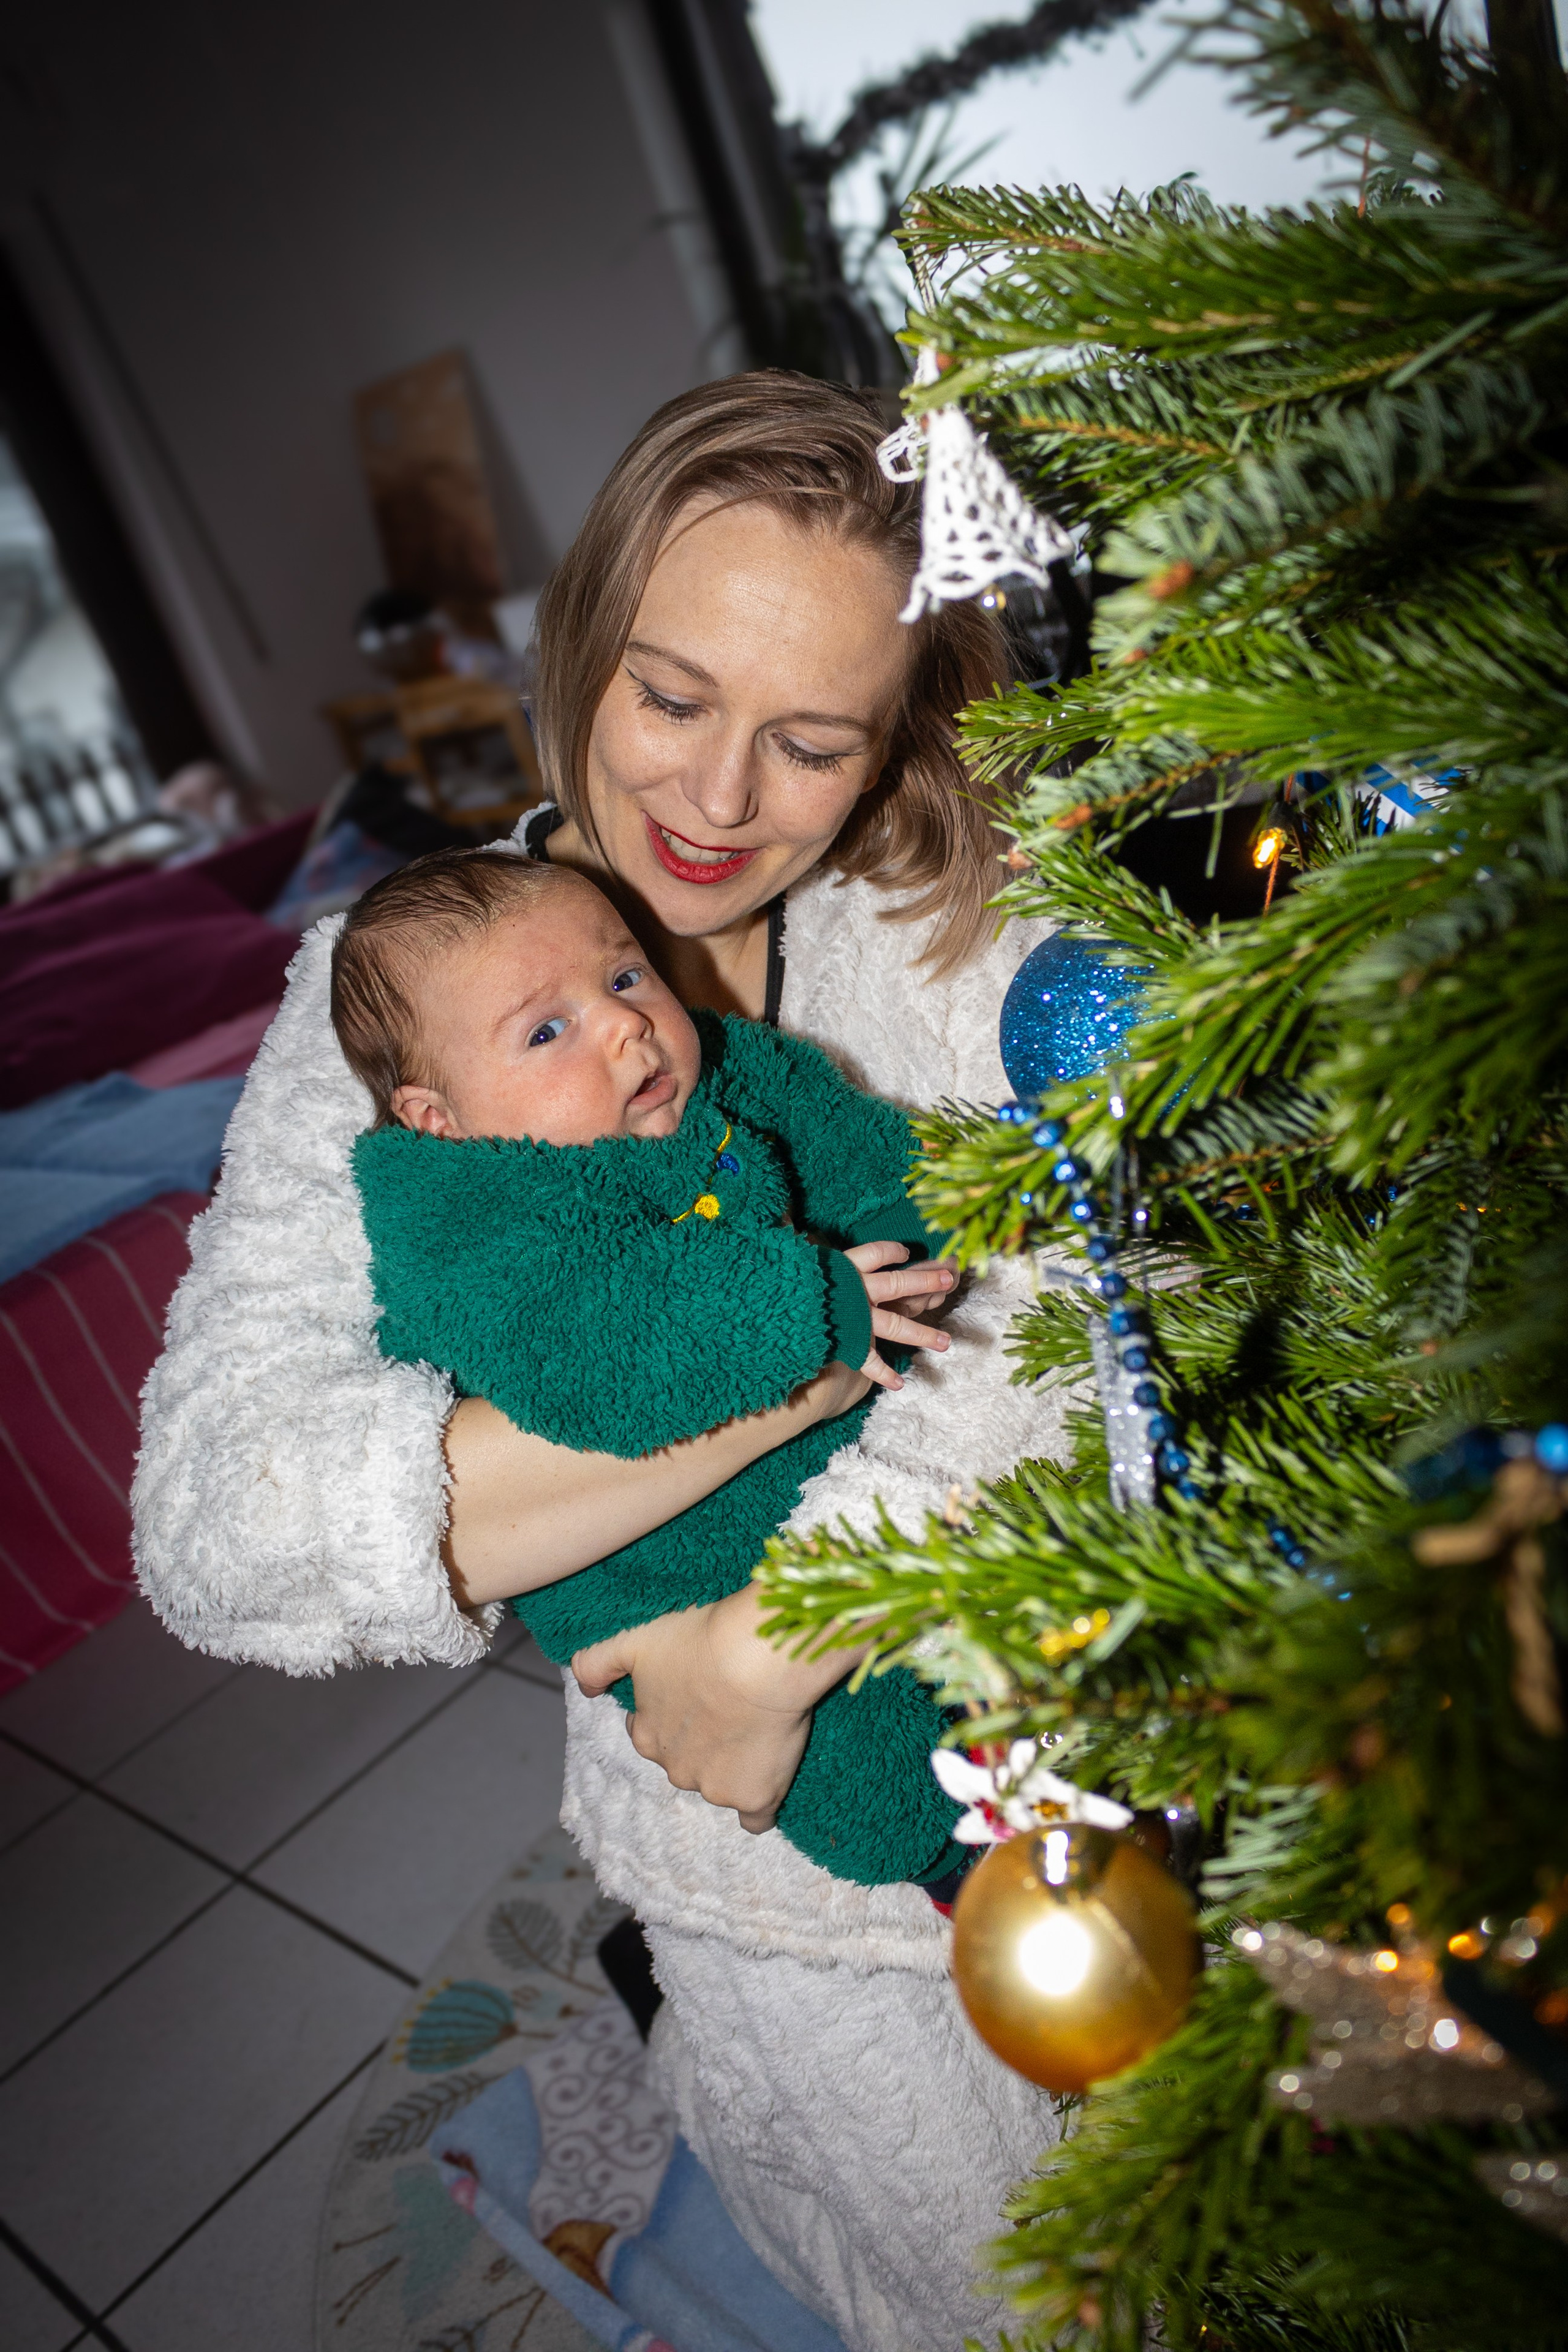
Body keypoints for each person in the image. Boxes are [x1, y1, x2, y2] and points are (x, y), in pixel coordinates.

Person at [134, 372, 1072, 2351]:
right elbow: (227, 1525)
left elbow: (1091, 1324)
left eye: (813, 742)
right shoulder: (387, 981)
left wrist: (777, 1636)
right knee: (992, 2291)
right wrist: (813, 1353)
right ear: (579, 650)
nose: (719, 807)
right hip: (737, 1833)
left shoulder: (968, 932)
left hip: (1052, 1711)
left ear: (895, 735)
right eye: (669, 700)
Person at [337, 846, 966, 1887]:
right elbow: (599, 1359)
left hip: (847, 1486)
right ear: (438, 1119)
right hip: (672, 1577)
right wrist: (811, 1303)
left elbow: (856, 1145)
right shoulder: (466, 1220)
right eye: (548, 1030)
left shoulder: (727, 1069)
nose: (625, 1023)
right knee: (876, 1764)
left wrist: (917, 1224)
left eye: (625, 977)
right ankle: (966, 1867)